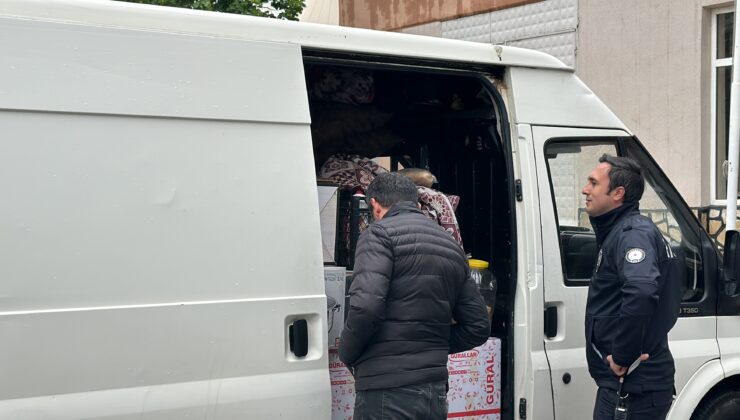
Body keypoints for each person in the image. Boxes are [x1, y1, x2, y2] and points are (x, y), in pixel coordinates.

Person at [339, 172, 490, 420]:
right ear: (418, 205)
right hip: (434, 391)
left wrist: (347, 351)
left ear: (375, 206)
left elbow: (365, 308)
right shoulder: (450, 244)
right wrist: (430, 346)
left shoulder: (378, 234)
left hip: (387, 390)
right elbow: (478, 326)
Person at [582, 155, 682, 420]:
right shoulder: (621, 231)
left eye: (593, 183)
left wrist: (623, 356)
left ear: (618, 193)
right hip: (630, 384)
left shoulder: (632, 233)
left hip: (633, 385)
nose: (585, 189)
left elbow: (641, 292)